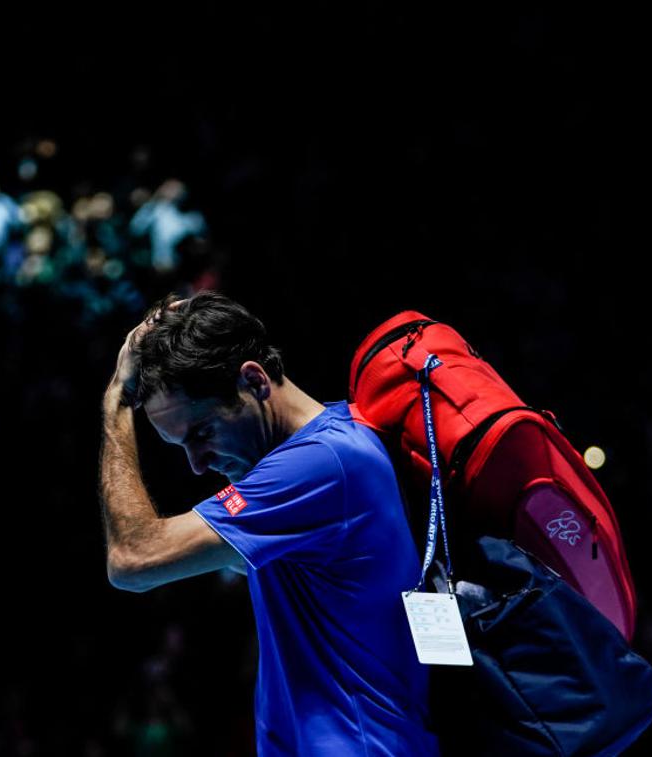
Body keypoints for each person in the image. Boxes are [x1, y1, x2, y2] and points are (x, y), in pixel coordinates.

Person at [99, 292, 438, 756]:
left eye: (201, 433)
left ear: (254, 381)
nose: (197, 465)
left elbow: (133, 559)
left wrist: (117, 401)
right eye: (180, 446)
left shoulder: (322, 465)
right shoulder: (332, 444)